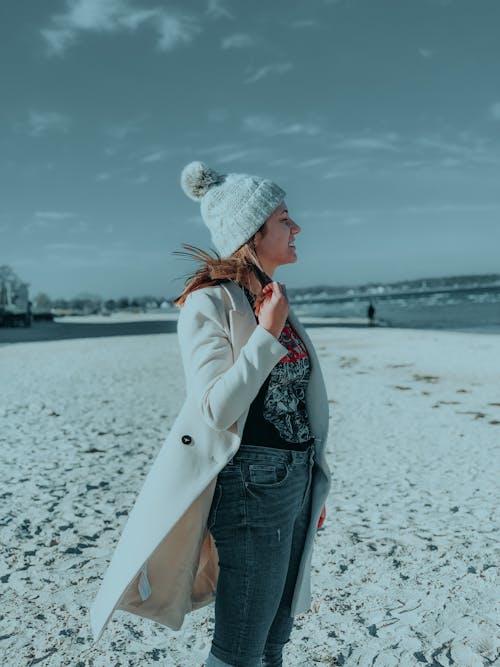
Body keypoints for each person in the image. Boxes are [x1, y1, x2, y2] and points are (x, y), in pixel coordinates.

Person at [88, 162, 331, 667]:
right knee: (240, 646)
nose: (297, 228)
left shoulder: (269, 296)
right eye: (285, 218)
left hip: (297, 480)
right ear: (253, 232)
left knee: (274, 637)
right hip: (252, 487)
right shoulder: (209, 302)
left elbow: (296, 405)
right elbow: (215, 409)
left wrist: (314, 487)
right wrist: (266, 334)